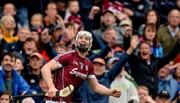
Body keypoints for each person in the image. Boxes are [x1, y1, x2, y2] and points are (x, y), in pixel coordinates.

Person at [41, 30, 121, 103]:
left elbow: (96, 87)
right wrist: (51, 87)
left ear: (90, 45)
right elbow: (45, 68)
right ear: (76, 42)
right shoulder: (67, 56)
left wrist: (110, 92)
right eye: (80, 38)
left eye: (86, 39)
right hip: (54, 101)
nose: (83, 40)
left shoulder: (88, 65)